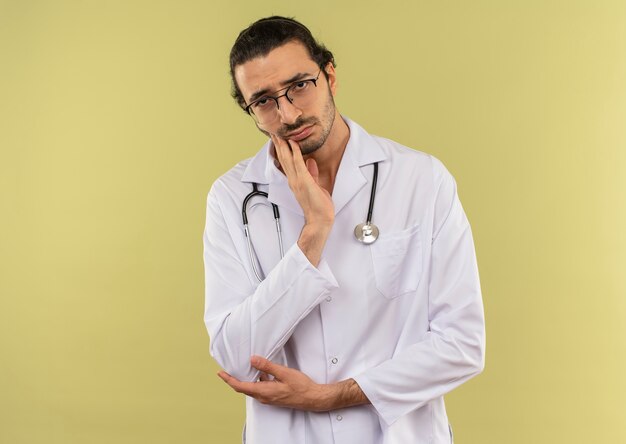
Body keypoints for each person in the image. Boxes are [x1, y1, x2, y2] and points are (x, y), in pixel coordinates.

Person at [203, 16, 485, 444]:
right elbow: (237, 358)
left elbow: (462, 346)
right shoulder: (231, 199)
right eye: (263, 101)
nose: (288, 113)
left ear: (329, 75)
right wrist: (313, 234)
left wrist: (331, 396)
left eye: (299, 85)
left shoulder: (421, 181)